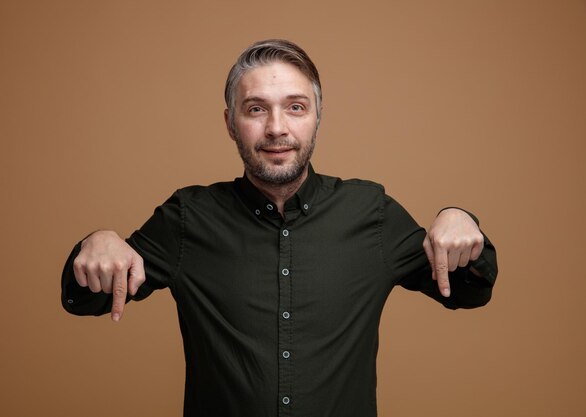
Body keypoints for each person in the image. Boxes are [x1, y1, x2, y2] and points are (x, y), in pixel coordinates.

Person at [61, 39, 498, 417]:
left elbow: (467, 289)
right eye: (255, 109)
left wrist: (460, 218)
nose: (276, 128)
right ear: (231, 123)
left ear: (316, 118)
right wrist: (96, 240)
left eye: (295, 107)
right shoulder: (187, 218)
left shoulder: (371, 212)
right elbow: (85, 298)